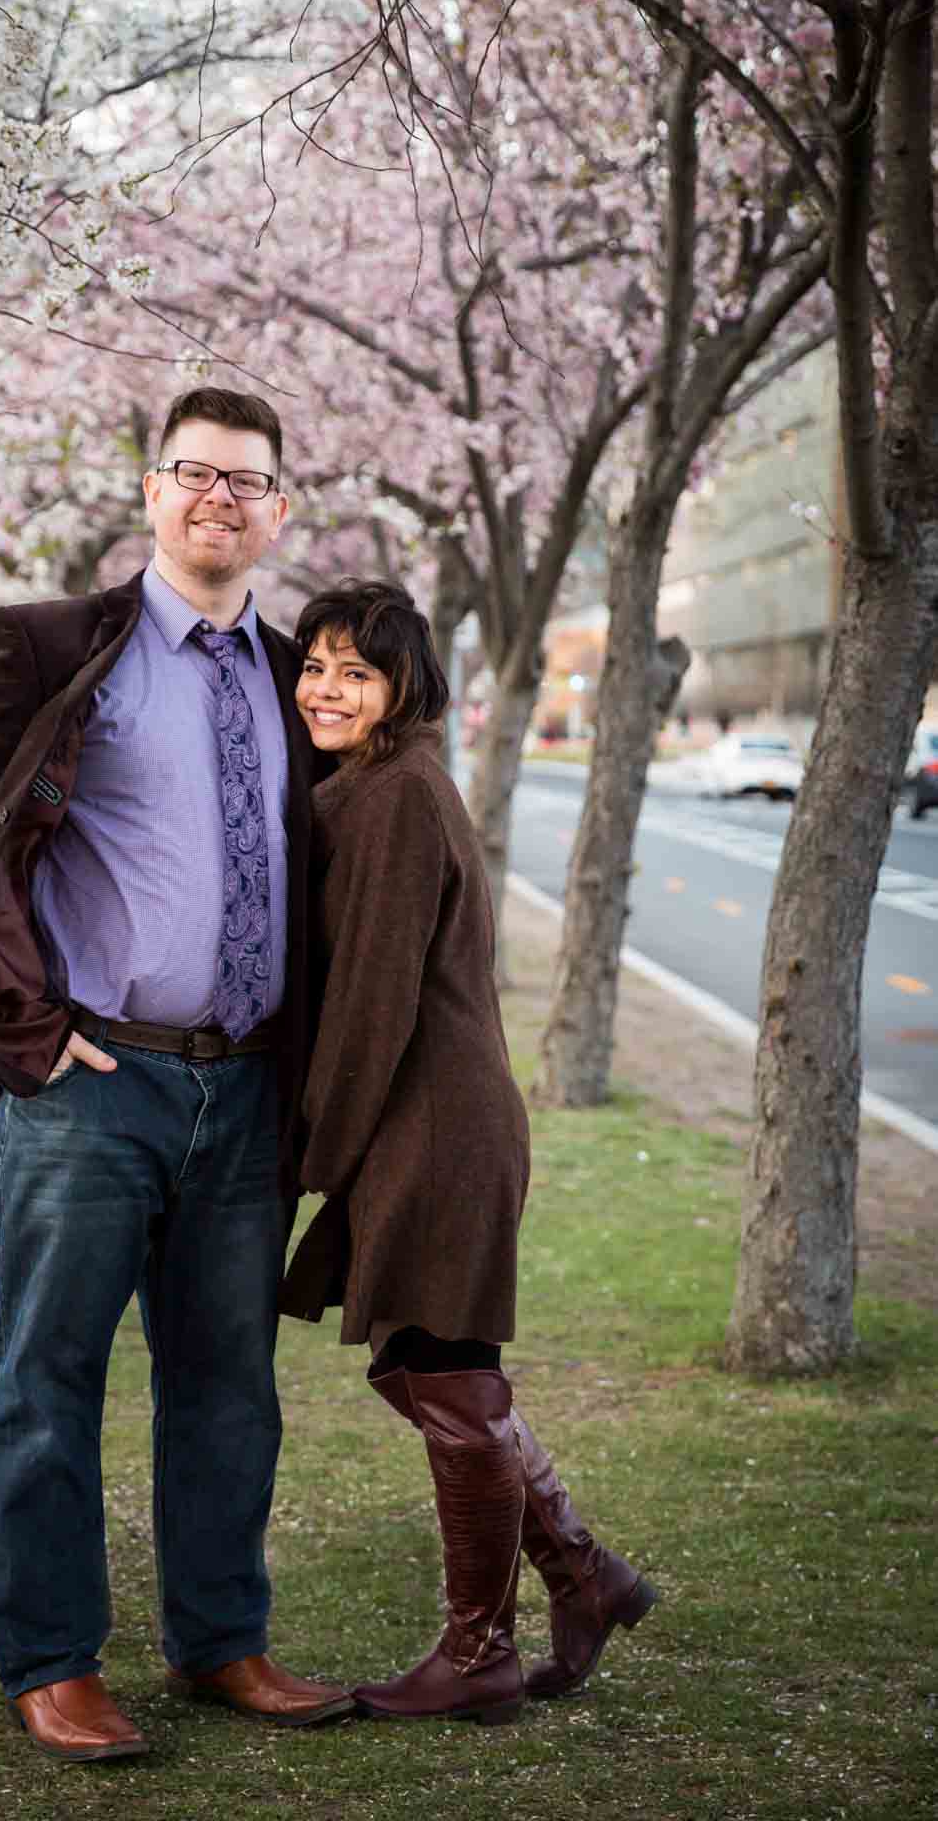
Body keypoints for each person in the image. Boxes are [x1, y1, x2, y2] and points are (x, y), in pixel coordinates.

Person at [0, 389, 353, 1764]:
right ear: (152, 493)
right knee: (47, 1378)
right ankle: (51, 1661)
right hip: (92, 1087)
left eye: (249, 481)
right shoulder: (53, 647)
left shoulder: (300, 678)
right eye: (196, 473)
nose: (220, 497)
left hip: (244, 1090)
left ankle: (220, 1641)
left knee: (229, 1384)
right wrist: (23, 1034)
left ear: (280, 512)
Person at [280, 579, 657, 1727]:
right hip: (424, 1118)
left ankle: (480, 1651)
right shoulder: (368, 785)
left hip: (433, 1124)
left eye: (357, 671)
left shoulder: (395, 797)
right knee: (426, 1368)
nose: (327, 689)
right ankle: (583, 1573)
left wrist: (306, 1156)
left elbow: (371, 1004)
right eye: (314, 665)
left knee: (446, 1371)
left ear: (403, 687)